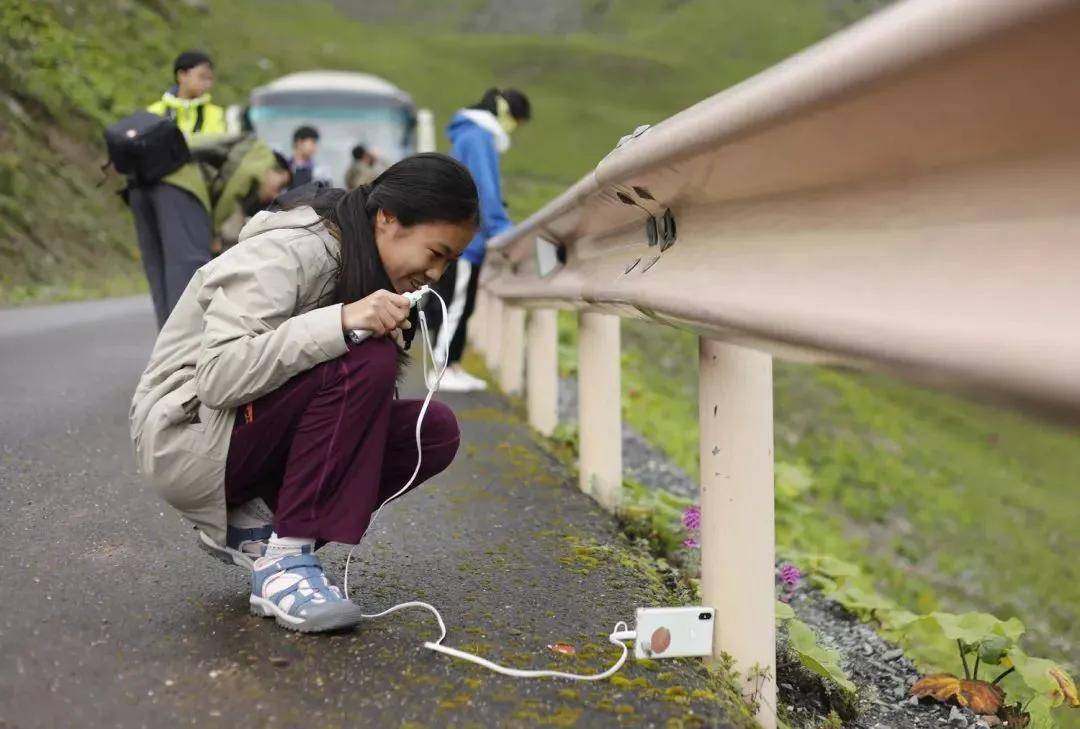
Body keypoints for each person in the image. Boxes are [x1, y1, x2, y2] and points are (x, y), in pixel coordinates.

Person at [129, 153, 479, 633]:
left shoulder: (369, 267)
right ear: (389, 219)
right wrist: (341, 322)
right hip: (188, 440)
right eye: (435, 253)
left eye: (450, 262)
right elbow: (218, 378)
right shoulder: (292, 250)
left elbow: (337, 418)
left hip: (245, 436)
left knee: (432, 433)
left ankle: (264, 538)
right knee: (367, 356)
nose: (437, 274)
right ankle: (285, 563)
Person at [129, 131, 292, 328]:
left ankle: (166, 342)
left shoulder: (243, 150)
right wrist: (212, 233)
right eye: (280, 185)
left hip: (140, 181)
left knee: (159, 268)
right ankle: (185, 346)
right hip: (181, 183)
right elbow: (233, 189)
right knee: (187, 271)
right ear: (278, 171)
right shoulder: (261, 155)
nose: (274, 195)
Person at [429, 88, 531, 392]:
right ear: (506, 115)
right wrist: (501, 229)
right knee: (456, 304)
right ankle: (441, 369)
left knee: (462, 303)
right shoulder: (478, 138)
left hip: (462, 235)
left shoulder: (469, 135)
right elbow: (483, 189)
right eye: (517, 121)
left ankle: (453, 366)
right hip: (463, 239)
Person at [147, 50, 226, 137]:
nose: (207, 84)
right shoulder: (154, 112)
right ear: (182, 75)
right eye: (202, 77)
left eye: (210, 79)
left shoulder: (217, 114)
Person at [287, 125, 331, 190]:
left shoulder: (320, 170)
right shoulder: (286, 167)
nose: (315, 147)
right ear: (299, 142)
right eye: (312, 143)